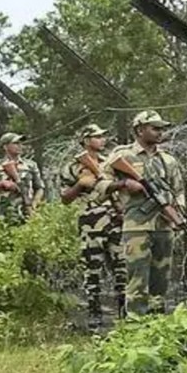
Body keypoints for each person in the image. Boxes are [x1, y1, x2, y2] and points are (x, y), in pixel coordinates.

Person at [105, 111, 186, 316]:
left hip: (163, 226)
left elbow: (178, 191)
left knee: (161, 281)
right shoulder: (122, 156)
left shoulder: (168, 160)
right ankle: (135, 327)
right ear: (139, 130)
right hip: (137, 226)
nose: (160, 133)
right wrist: (124, 183)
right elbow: (99, 185)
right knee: (137, 280)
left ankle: (157, 326)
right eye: (155, 128)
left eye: (162, 128)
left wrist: (176, 213)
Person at [59, 124, 128, 332]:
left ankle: (124, 312)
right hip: (91, 221)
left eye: (103, 136)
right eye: (97, 136)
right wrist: (80, 185)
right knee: (93, 269)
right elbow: (65, 198)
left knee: (121, 267)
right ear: (86, 140)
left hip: (115, 220)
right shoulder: (73, 166)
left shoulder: (111, 162)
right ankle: (95, 312)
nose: (102, 140)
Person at [0, 132, 44, 224]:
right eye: (15, 143)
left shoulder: (30, 165)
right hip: (4, 214)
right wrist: (0, 184)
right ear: (5, 147)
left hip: (26, 210)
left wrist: (33, 205)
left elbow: (39, 188)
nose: (20, 146)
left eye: (20, 143)